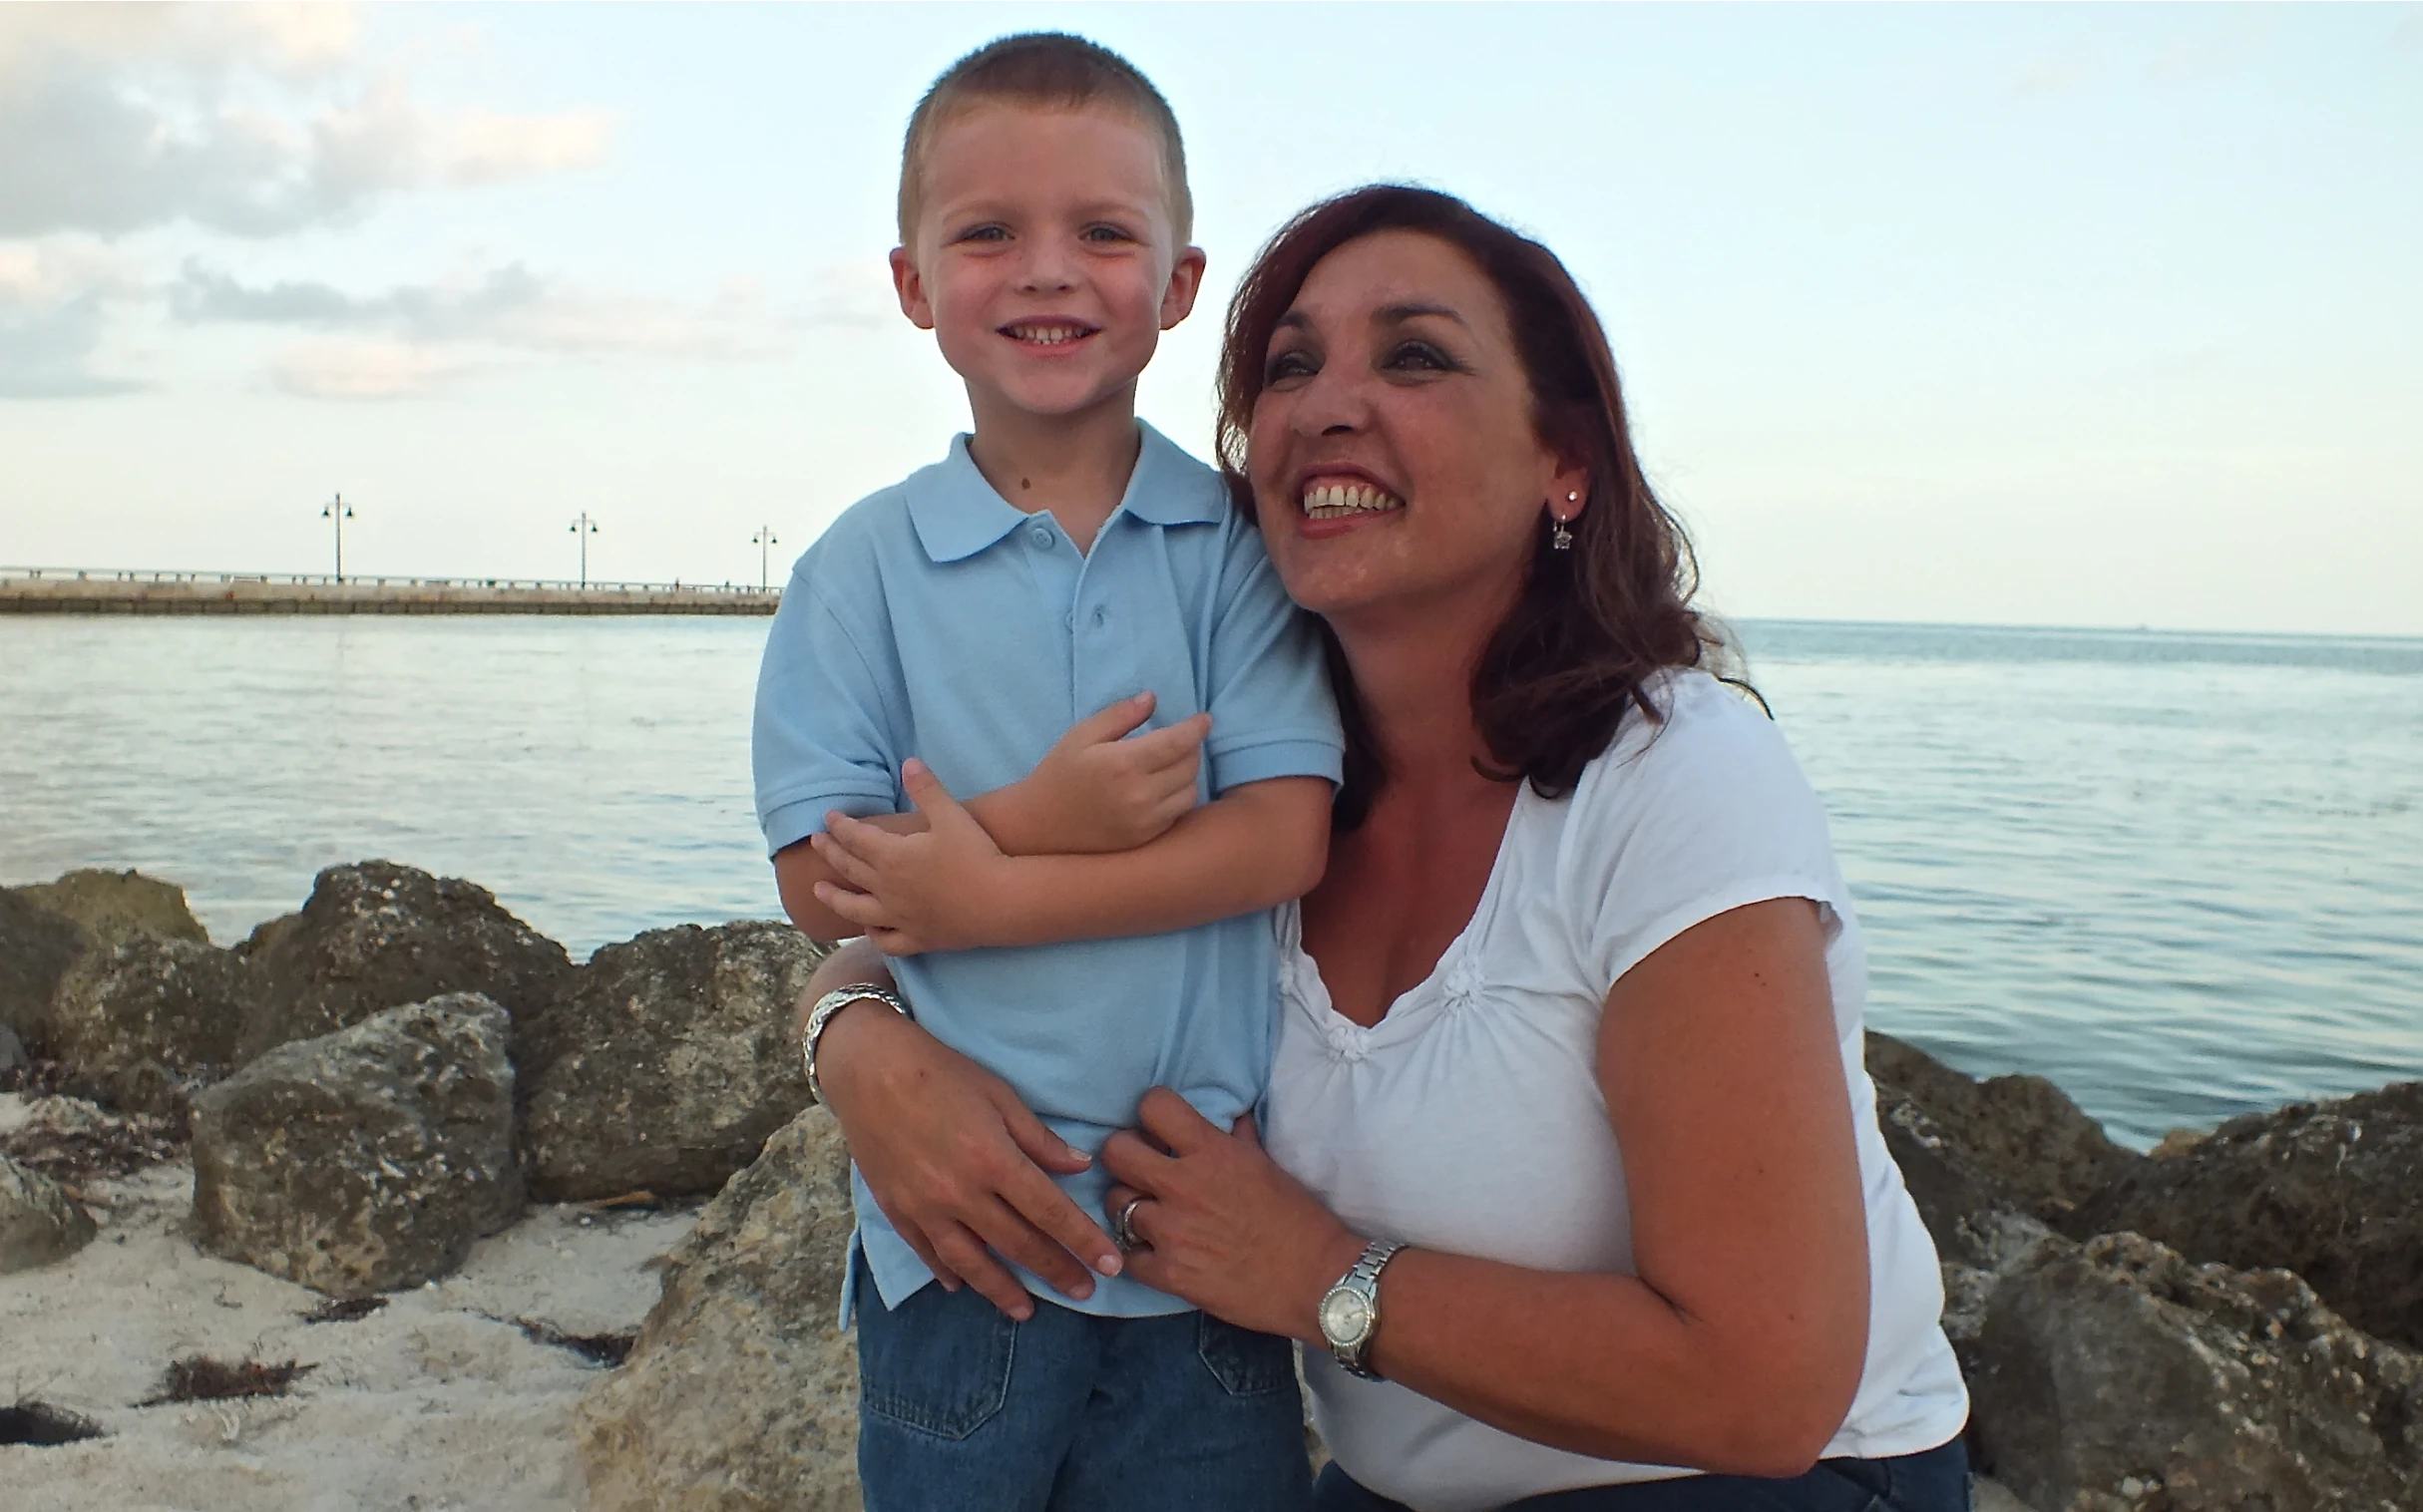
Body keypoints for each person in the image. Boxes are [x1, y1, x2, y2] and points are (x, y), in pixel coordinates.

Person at [803, 184, 1973, 1512]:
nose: (1324, 405)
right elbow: (955, 909)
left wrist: (1318, 1275)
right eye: (1289, 367)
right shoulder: (1255, 797)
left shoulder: (1672, 776)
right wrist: (854, 1038)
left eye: (1413, 355)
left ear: (1564, 462)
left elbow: (1765, 1389)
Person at [752, 33, 1342, 1512]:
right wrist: (1034, 826)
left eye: (1103, 232)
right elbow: (819, 878)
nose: (1047, 270)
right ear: (911, 285)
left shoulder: (1235, 550)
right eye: (988, 232)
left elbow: (1282, 837)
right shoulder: (859, 571)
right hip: (959, 1250)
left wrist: (979, 893)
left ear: (1180, 284)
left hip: (1197, 1228)